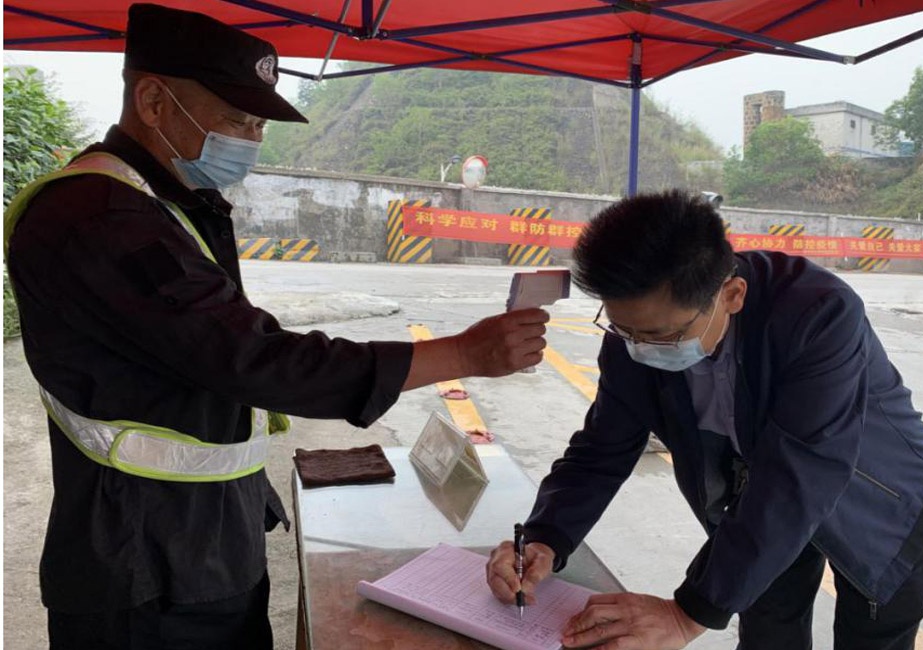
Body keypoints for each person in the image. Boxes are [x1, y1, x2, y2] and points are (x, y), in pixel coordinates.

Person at [3, 4, 548, 649]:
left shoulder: (168, 203)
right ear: (152, 102)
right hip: (144, 557)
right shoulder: (101, 216)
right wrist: (463, 354)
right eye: (238, 120)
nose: (252, 140)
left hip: (203, 533)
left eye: (259, 124)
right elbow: (251, 357)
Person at [486, 190, 923, 650]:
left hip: (878, 496)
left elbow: (801, 472)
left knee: (873, 638)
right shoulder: (635, 335)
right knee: (768, 632)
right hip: (763, 505)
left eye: (663, 335)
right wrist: (545, 537)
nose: (640, 348)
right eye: (623, 330)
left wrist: (687, 613)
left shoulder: (818, 312)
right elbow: (602, 449)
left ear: (732, 295)